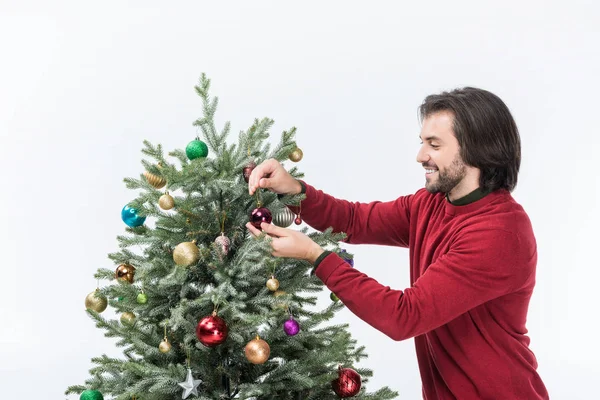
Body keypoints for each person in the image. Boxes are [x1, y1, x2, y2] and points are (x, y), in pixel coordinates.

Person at [245, 87, 549, 400]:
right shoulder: (430, 204)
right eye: (422, 143)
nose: (421, 156)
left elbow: (403, 316)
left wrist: (315, 255)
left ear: (477, 150)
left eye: (434, 145)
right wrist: (295, 189)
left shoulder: (499, 233)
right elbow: (355, 221)